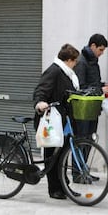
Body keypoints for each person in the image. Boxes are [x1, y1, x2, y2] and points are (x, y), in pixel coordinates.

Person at [33, 43, 80, 200]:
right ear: (68, 60)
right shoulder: (54, 71)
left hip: (63, 121)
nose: (76, 64)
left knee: (61, 157)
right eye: (75, 61)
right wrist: (39, 102)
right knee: (52, 156)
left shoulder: (67, 73)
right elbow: (41, 89)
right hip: (51, 121)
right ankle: (54, 189)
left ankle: (64, 186)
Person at [74, 33, 108, 140]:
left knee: (90, 140)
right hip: (83, 110)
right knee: (82, 141)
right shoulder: (81, 62)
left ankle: (84, 158)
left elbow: (92, 83)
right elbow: (80, 88)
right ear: (93, 46)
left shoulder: (93, 61)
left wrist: (103, 85)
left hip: (92, 108)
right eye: (100, 50)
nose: (102, 53)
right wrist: (100, 90)